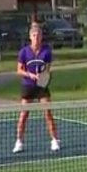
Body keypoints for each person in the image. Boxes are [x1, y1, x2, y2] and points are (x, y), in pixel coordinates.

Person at [13, 22, 60, 153]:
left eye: (38, 35)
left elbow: (48, 69)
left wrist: (43, 75)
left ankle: (54, 141)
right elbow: (19, 70)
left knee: (48, 113)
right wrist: (30, 74)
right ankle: (19, 142)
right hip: (28, 86)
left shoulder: (46, 51)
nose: (36, 37)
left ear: (41, 37)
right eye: (34, 35)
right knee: (23, 115)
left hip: (41, 86)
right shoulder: (24, 52)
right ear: (30, 37)